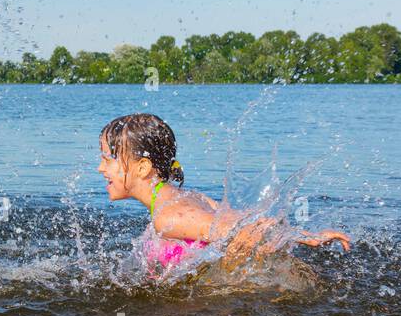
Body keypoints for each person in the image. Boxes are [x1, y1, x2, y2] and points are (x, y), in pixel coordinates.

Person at [96, 112, 350, 269]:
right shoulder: (187, 196)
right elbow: (240, 218)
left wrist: (305, 238)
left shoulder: (170, 215)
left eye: (107, 159)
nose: (100, 168)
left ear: (142, 168)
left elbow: (243, 230)